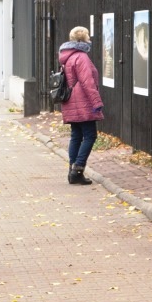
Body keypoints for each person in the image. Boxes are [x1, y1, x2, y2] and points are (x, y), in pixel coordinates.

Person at [58, 26, 103, 185]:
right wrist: (96, 102)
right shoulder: (81, 57)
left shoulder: (66, 56)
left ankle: (72, 171)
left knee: (76, 135)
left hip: (70, 101)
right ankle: (78, 169)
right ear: (84, 39)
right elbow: (87, 82)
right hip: (83, 102)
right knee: (90, 135)